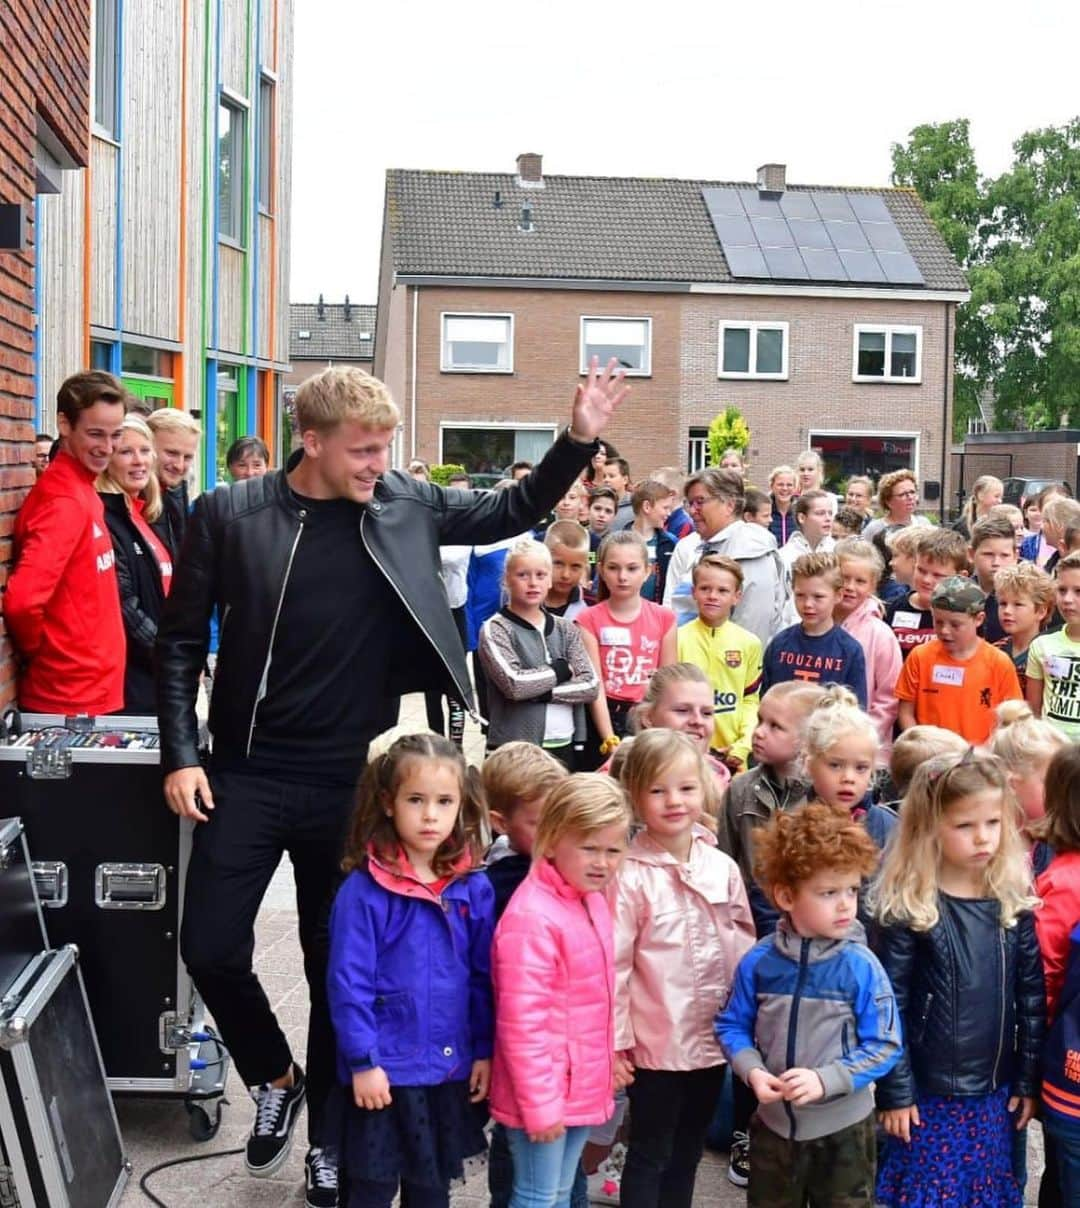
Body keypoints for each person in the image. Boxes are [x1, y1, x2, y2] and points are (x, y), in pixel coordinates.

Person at [156, 360, 629, 1199]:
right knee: (212, 948)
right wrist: (182, 753)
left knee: (338, 957)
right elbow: (182, 640)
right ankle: (275, 1079)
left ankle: (332, 1139)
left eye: (385, 448)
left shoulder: (404, 503)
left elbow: (510, 510)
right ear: (311, 441)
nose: (379, 463)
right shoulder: (231, 515)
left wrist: (578, 438)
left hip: (354, 778)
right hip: (246, 769)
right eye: (362, 450)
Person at [872, 750, 1045, 1208]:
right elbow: (888, 1005)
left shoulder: (1013, 902)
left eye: (992, 822)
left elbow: (1030, 999)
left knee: (983, 1193)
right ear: (931, 827)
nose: (983, 837)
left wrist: (1028, 1080)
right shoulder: (911, 907)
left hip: (995, 1095)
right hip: (928, 1096)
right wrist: (895, 1091)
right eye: (965, 825)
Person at [326, 733, 492, 1207]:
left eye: (444, 801)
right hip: (384, 1071)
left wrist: (483, 1050)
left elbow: (483, 978)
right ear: (388, 802)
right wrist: (363, 1062)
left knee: (430, 1188)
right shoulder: (364, 892)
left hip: (445, 1072)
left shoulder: (472, 886)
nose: (430, 815)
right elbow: (347, 983)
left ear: (461, 805)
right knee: (372, 1189)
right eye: (416, 800)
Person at [715, 801, 902, 1208]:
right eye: (828, 892)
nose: (845, 904)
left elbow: (886, 1043)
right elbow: (731, 1025)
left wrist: (828, 1079)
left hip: (845, 1133)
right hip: (772, 1129)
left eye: (852, 889)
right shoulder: (760, 961)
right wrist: (752, 1072)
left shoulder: (860, 966)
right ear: (785, 894)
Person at [613, 730, 755, 1208]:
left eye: (685, 788)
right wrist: (617, 1041)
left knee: (689, 1149)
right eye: (657, 790)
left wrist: (749, 1021)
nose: (674, 801)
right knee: (650, 1150)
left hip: (715, 1039)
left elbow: (744, 947)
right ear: (635, 797)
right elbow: (615, 968)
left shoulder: (721, 866)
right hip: (656, 1043)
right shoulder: (628, 875)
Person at [489, 774, 631, 1208]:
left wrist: (609, 1060)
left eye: (613, 850)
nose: (602, 862)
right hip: (546, 1091)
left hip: (579, 1082)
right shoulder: (533, 917)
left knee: (557, 1192)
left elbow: (593, 1002)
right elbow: (521, 1025)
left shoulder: (588, 899)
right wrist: (540, 1104)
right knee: (536, 1196)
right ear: (551, 842)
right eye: (589, 848)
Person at [479, 744, 575, 1208]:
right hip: (517, 1044)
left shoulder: (566, 869)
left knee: (564, 1168)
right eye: (541, 824)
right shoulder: (496, 886)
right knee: (518, 1152)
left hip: (566, 1046)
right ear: (500, 822)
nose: (556, 836)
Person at [4, 370, 127, 714]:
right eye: (95, 434)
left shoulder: (80, 490)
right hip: (70, 697)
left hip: (85, 691)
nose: (107, 447)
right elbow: (22, 602)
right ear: (64, 424)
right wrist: (47, 655)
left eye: (116, 434)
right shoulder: (64, 501)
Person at [478, 537, 598, 765]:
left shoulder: (566, 629)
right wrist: (560, 671)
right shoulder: (496, 629)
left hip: (564, 744)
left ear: (549, 579)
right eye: (523, 575)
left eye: (541, 575)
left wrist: (543, 692)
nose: (533, 582)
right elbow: (514, 684)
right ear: (506, 579)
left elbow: (590, 685)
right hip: (515, 747)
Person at [577, 531, 677, 765]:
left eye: (632, 568)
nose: (622, 577)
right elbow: (596, 684)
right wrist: (609, 737)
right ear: (600, 570)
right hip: (603, 716)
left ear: (647, 571)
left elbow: (668, 683)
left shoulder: (664, 618)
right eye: (613, 568)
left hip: (648, 716)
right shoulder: (588, 619)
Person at [97, 414, 175, 714]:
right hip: (134, 682)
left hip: (158, 675)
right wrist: (168, 654)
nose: (138, 461)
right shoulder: (107, 517)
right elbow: (124, 604)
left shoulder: (144, 513)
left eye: (144, 451)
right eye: (126, 452)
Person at [663, 468, 786, 646]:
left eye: (700, 502)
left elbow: (750, 630)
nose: (692, 511)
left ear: (729, 505)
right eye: (689, 503)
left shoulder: (750, 553)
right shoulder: (703, 546)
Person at [896, 577, 1022, 744]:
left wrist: (984, 754)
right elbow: (905, 712)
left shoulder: (998, 663)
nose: (945, 631)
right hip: (928, 758)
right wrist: (921, 747)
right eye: (938, 622)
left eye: (955, 625)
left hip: (979, 760)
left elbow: (1012, 721)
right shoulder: (920, 657)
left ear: (979, 619)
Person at [676, 555, 762, 773]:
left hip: (731, 756)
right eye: (705, 588)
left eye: (723, 591)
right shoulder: (676, 639)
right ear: (694, 592)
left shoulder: (749, 643)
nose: (713, 596)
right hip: (683, 752)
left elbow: (750, 700)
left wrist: (743, 745)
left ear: (736, 597)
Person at [761, 553, 868, 708]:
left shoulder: (850, 650)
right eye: (800, 595)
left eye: (818, 597)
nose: (808, 604)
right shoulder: (780, 644)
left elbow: (856, 709)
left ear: (838, 595)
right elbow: (765, 699)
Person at [801, 695, 897, 867]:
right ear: (809, 764)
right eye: (835, 765)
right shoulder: (791, 825)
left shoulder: (889, 828)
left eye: (861, 768)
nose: (848, 778)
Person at [834, 538, 901, 769]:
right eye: (844, 578)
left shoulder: (880, 634)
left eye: (860, 581)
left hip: (866, 754)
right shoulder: (816, 624)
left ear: (873, 585)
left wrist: (862, 739)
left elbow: (888, 698)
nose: (850, 587)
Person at [991, 701, 1068, 875]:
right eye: (1052, 782)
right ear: (1011, 784)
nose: (1062, 792)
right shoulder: (986, 849)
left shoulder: (1057, 837)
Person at [884, 527, 970, 659]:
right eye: (921, 571)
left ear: (960, 577)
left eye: (938, 575)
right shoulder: (894, 608)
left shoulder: (967, 615)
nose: (927, 580)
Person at [1026, 550, 1080, 739]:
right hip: (1053, 752)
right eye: (1062, 590)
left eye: (1078, 591)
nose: (1067, 600)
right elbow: (1033, 712)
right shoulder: (1042, 645)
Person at [146, 406, 202, 556]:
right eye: (171, 453)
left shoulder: (177, 492)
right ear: (147, 447)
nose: (179, 465)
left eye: (188, 457)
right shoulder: (130, 499)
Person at [995, 561, 1054, 696]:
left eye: (1018, 604)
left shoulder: (1049, 656)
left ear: (1041, 611)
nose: (1007, 611)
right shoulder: (994, 650)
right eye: (1003, 603)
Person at [970, 513, 1019, 644]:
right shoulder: (960, 594)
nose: (996, 562)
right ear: (971, 554)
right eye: (988, 554)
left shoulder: (1024, 597)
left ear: (1015, 556)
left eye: (1004, 555)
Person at [626, 481, 675, 602]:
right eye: (665, 508)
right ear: (647, 506)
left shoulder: (670, 543)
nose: (669, 513)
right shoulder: (616, 542)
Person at [777, 489, 835, 584]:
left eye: (830, 513)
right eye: (820, 513)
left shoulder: (837, 551)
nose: (828, 518)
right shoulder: (784, 557)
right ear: (802, 518)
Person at [862, 469, 930, 541]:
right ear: (888, 501)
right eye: (902, 494)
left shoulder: (924, 524)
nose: (910, 497)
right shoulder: (874, 529)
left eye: (912, 492)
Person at [543, 520, 590, 621]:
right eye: (558, 564)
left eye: (575, 566)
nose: (566, 575)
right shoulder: (525, 598)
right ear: (544, 558)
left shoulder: (592, 605)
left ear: (585, 566)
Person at [1020, 483, 1071, 566]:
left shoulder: (1074, 543)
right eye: (1048, 506)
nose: (1053, 510)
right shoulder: (1027, 545)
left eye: (1059, 506)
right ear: (1040, 509)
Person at [955, 473, 1004, 539]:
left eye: (1001, 497)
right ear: (980, 495)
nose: (1000, 501)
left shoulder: (1001, 523)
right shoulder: (962, 526)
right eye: (996, 496)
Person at [766, 465, 797, 547]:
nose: (785, 488)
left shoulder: (800, 513)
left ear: (795, 488)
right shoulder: (764, 512)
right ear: (772, 486)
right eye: (780, 484)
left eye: (789, 485)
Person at [600, 457, 634, 529]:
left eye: (611, 476)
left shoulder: (635, 505)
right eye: (604, 476)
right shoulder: (596, 503)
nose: (606, 480)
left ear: (625, 480)